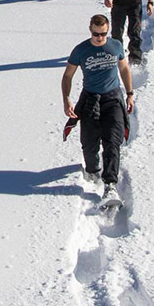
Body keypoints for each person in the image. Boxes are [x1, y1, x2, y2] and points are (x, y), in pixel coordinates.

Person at [61, 14, 135, 199]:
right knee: (89, 141)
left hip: (112, 98)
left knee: (112, 141)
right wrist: (66, 98)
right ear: (90, 30)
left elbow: (124, 68)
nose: (100, 38)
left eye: (103, 34)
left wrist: (130, 94)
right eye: (96, 34)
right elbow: (68, 75)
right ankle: (92, 172)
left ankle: (110, 185)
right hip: (90, 99)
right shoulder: (80, 50)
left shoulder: (115, 46)